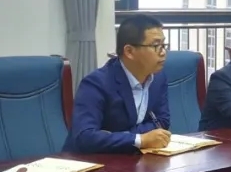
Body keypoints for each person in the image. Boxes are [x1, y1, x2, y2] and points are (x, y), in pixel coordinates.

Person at [64, 14, 171, 153]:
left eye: (164, 45)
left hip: (132, 158)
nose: (163, 52)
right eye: (156, 46)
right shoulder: (96, 83)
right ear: (129, 51)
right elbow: (85, 136)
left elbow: (162, 122)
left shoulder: (158, 78)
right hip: (88, 161)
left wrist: (120, 135)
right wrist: (140, 139)